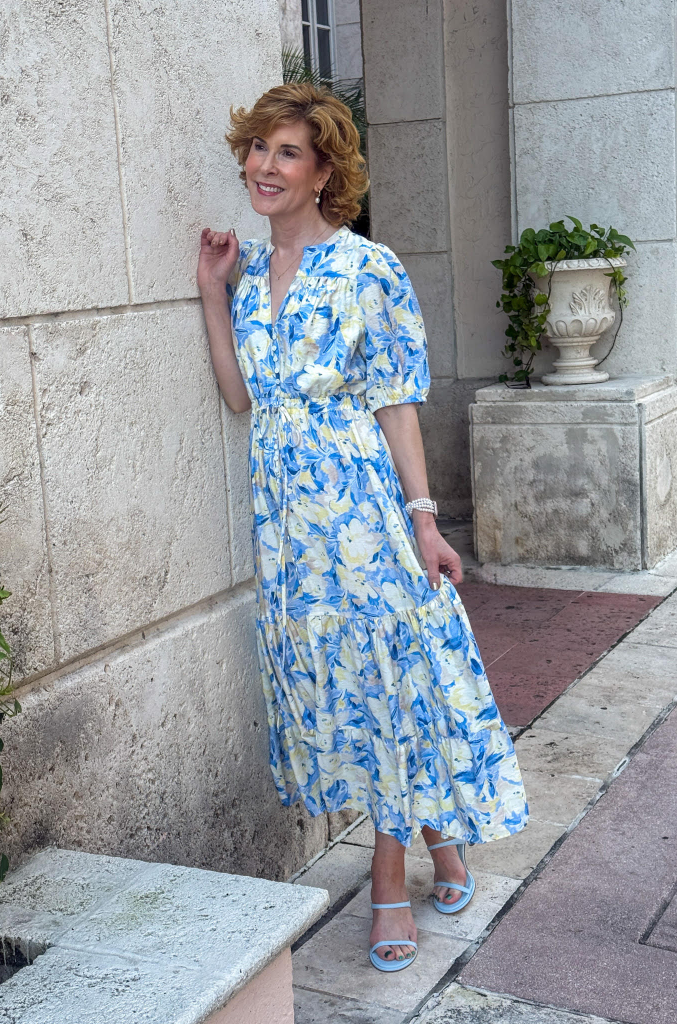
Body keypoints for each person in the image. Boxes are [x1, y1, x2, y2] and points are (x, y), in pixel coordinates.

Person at [197, 82, 528, 973]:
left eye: (286, 152)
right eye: (258, 148)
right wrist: (210, 291)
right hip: (290, 532)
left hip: (363, 513)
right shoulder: (250, 275)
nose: (264, 167)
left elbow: (396, 405)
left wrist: (425, 523)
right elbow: (241, 397)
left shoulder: (368, 269)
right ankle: (440, 840)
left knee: (390, 685)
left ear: (324, 171)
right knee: (347, 696)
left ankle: (388, 882)